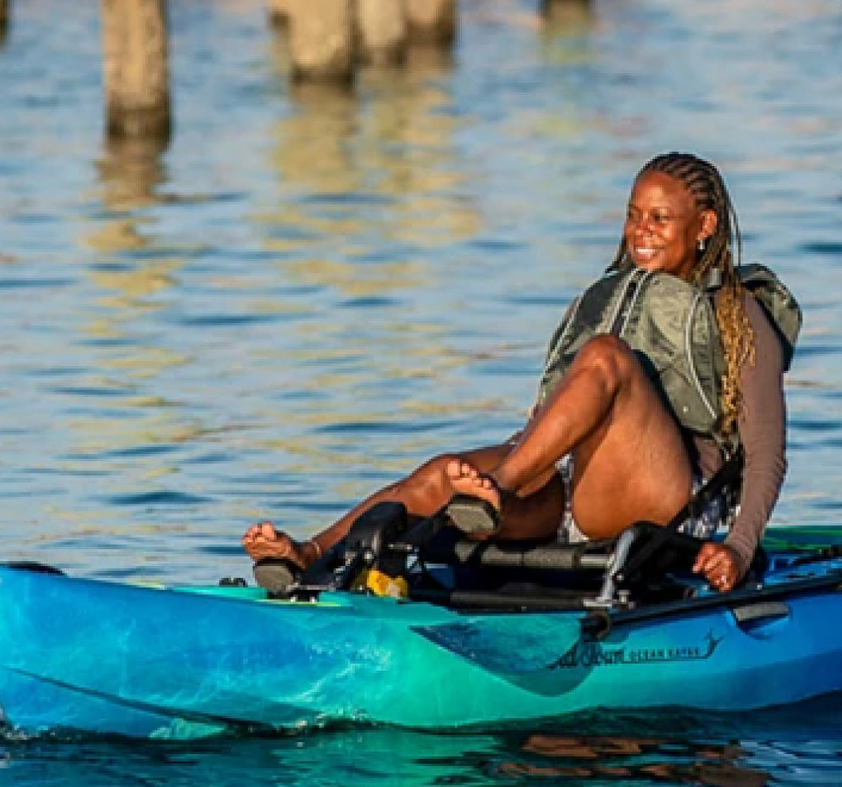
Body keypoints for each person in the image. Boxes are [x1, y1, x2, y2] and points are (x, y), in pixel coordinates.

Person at [242, 153, 800, 592]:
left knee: (605, 355)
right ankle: (311, 555)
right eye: (633, 216)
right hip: (569, 486)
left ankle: (496, 493)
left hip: (670, 504)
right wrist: (519, 463)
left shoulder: (739, 314)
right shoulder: (608, 294)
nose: (641, 231)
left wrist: (740, 549)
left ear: (704, 225)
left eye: (660, 218)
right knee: (443, 473)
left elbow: (767, 451)